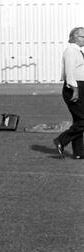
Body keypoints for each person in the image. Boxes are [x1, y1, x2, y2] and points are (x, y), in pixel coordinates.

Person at [54, 27, 84, 159]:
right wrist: (75, 90)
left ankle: (78, 152)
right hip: (73, 87)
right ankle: (61, 140)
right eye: (82, 36)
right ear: (74, 37)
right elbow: (69, 72)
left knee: (79, 120)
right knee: (82, 120)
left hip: (80, 85)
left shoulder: (78, 51)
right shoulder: (71, 51)